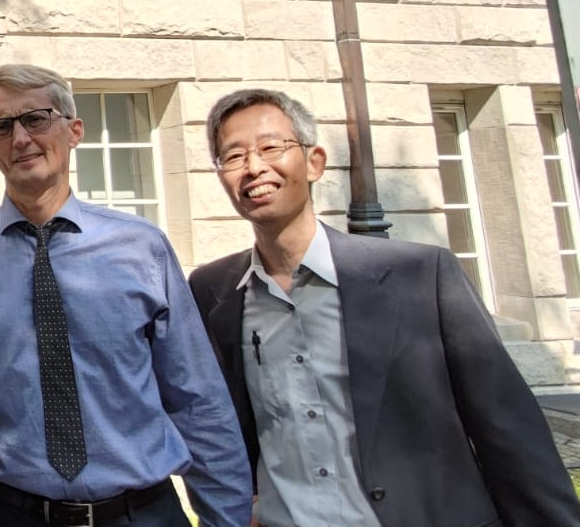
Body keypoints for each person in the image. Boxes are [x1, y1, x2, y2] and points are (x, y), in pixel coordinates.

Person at [188, 88, 580, 527]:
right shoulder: (213, 292)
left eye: (270, 147)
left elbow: (508, 428)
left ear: (314, 162)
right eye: (234, 156)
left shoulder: (420, 275)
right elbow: (222, 425)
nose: (254, 167)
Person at [0, 63, 251, 527]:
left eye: (36, 118)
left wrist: (226, 518)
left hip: (139, 513)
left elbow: (197, 398)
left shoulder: (142, 247)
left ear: (74, 131)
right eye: (2, 127)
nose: (20, 138)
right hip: (7, 513)